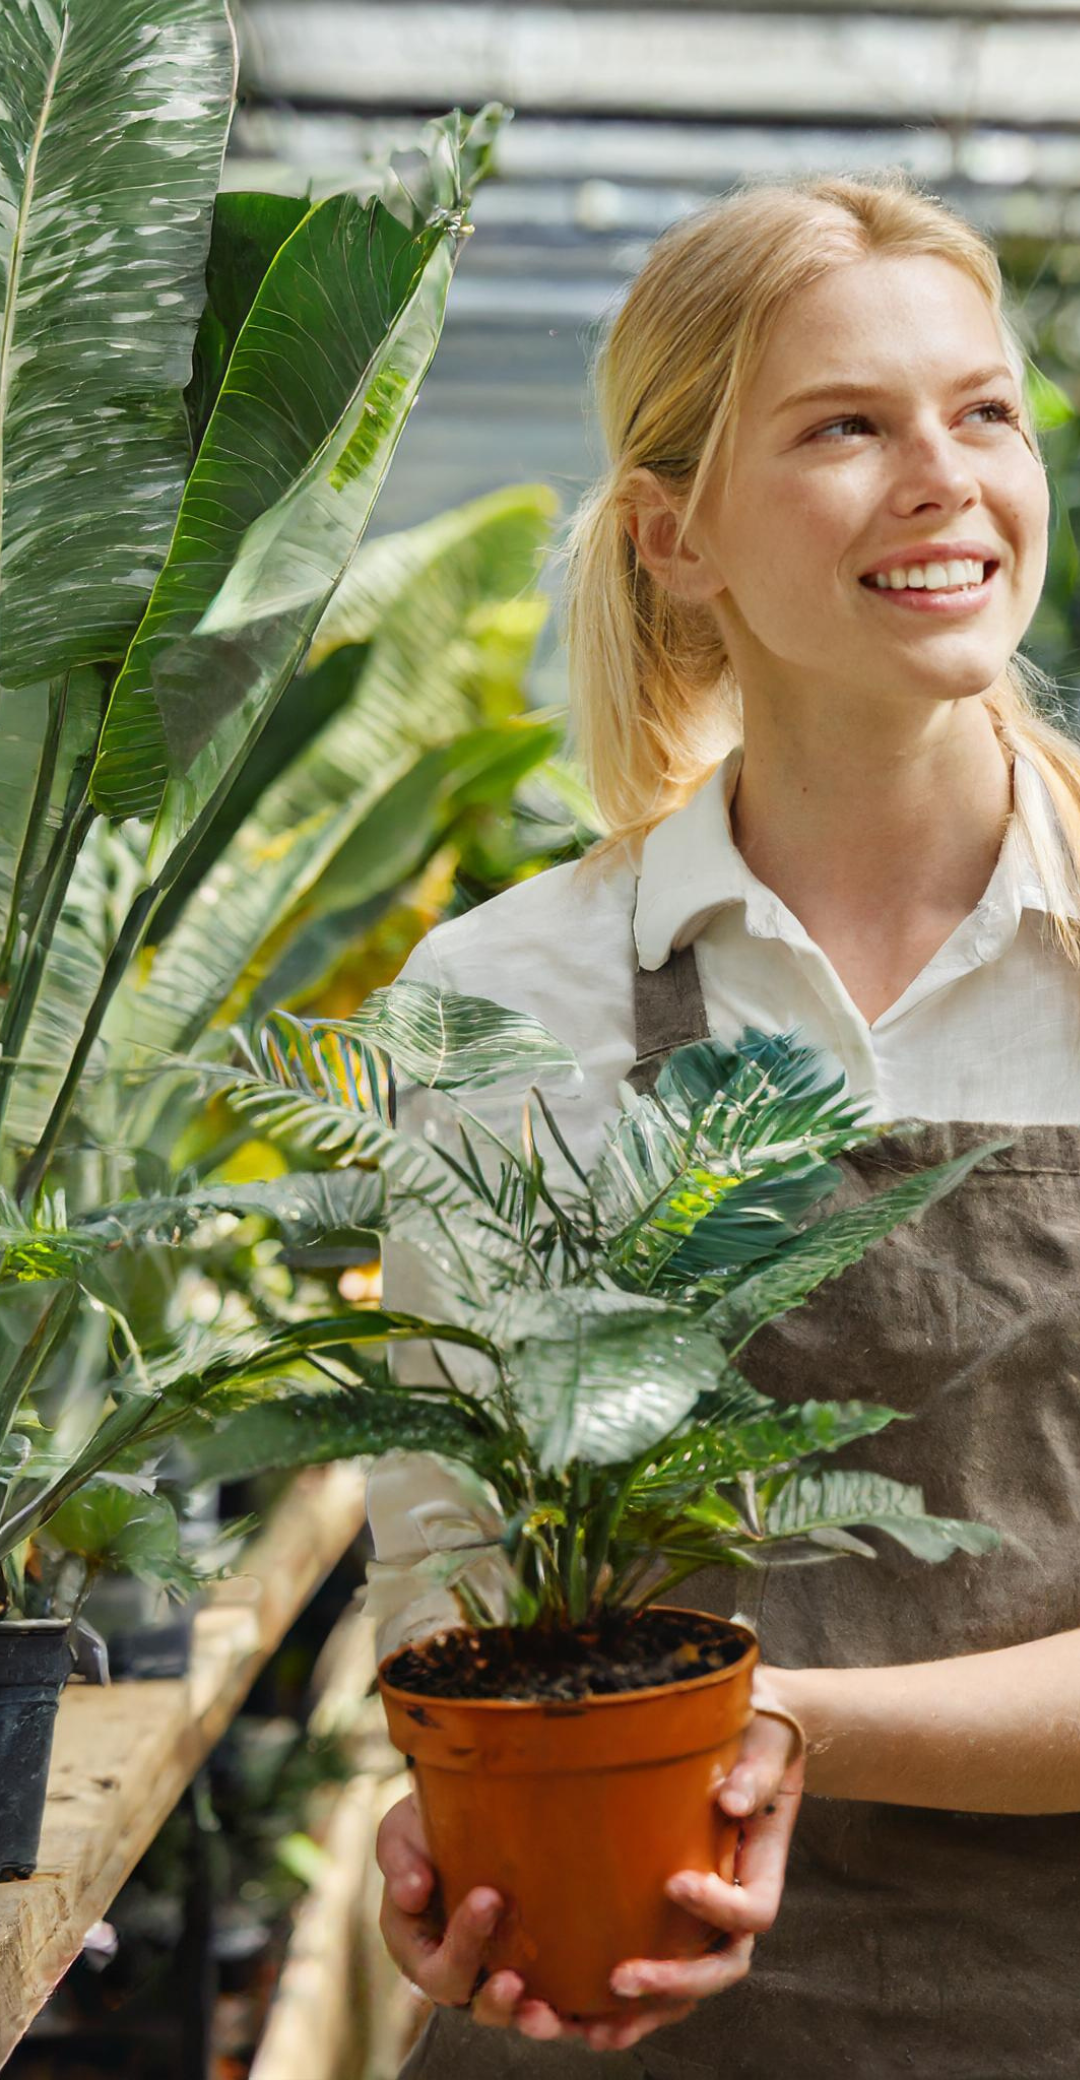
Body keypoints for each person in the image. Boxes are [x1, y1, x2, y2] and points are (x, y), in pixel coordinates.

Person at [370, 169, 1080, 2076]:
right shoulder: (514, 993)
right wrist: (456, 1808)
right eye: (845, 426)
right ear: (673, 537)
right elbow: (452, 1557)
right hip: (615, 1996)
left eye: (984, 411)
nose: (945, 476)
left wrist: (767, 1725)